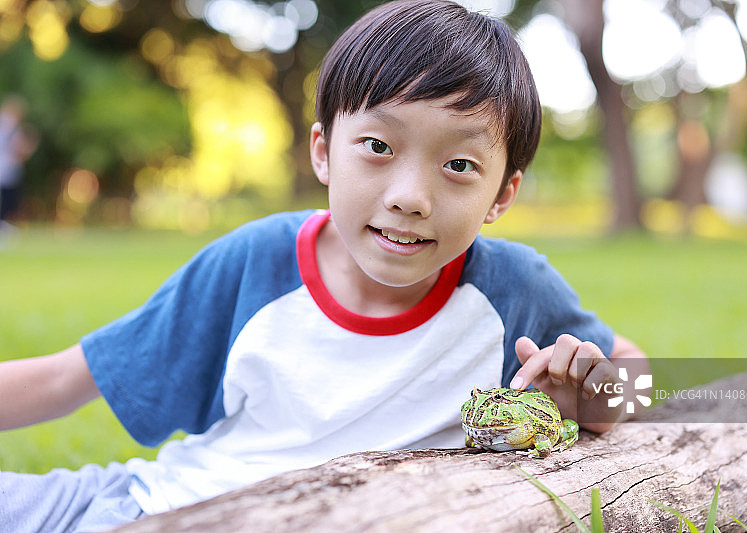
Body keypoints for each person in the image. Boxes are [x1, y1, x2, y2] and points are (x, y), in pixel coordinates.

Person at [0, 1, 647, 531]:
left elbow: (637, 379)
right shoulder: (254, 264)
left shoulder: (513, 290)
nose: (408, 196)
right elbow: (66, 378)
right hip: (154, 508)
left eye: (459, 166)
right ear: (323, 152)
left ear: (502, 194)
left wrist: (592, 397)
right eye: (376, 145)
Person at [0, 95, 38, 229]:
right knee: (7, 199)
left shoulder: (13, 127)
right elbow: (15, 148)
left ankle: (5, 224)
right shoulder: (8, 126)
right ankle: (3, 225)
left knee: (10, 199)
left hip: (11, 170)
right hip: (5, 170)